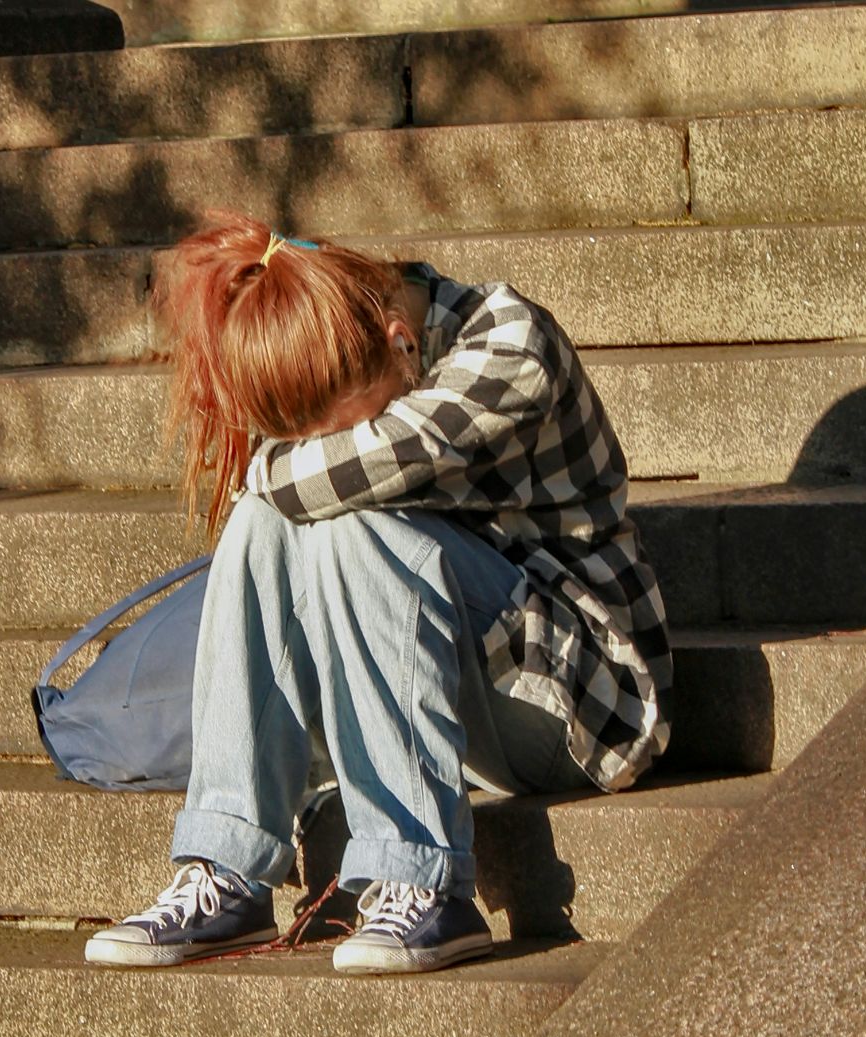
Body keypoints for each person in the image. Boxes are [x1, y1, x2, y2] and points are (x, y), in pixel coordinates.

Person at [83, 214, 672, 975]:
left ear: (401, 339)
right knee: (276, 524)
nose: (327, 447)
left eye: (346, 427)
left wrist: (271, 472)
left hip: (584, 702)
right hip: (460, 695)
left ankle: (421, 882)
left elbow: (310, 479)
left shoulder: (508, 346)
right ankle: (227, 863)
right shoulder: (363, 348)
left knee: (339, 518)